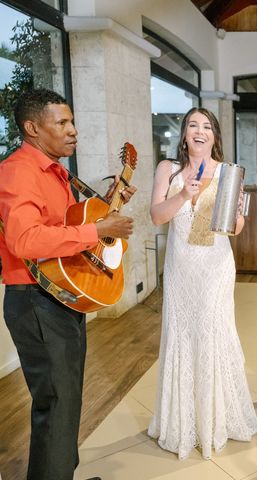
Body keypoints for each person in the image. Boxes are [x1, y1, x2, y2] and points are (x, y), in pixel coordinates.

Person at [0, 88, 135, 480]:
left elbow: (65, 227)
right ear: (32, 127)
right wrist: (97, 230)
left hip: (60, 297)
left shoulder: (57, 172)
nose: (73, 130)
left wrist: (106, 207)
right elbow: (24, 241)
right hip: (36, 301)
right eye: (62, 122)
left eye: (72, 120)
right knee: (56, 404)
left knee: (67, 400)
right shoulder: (18, 171)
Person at [148, 107, 257, 459]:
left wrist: (235, 211)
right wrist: (184, 194)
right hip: (180, 267)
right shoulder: (167, 170)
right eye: (192, 125)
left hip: (215, 266)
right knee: (182, 335)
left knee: (213, 332)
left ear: (215, 135)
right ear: (184, 134)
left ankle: (216, 418)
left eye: (206, 126)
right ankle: (182, 421)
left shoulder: (228, 173)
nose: (199, 131)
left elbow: (238, 226)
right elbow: (156, 216)